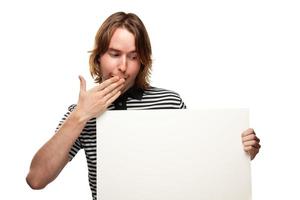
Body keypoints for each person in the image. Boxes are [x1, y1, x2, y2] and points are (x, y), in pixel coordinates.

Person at [26, 12, 261, 200]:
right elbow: (36, 179)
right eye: (114, 54)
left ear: (143, 61)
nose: (123, 67)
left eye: (133, 56)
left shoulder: (170, 102)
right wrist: (81, 115)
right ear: (99, 57)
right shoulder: (80, 114)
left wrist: (238, 154)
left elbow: (196, 167)